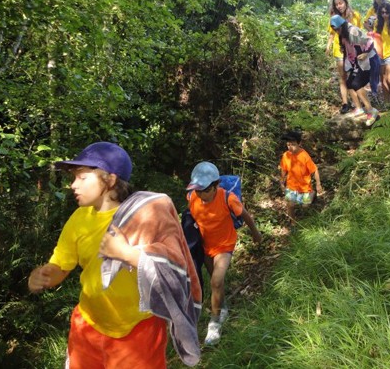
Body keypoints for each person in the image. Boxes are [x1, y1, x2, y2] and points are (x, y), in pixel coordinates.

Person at [28, 142, 202, 368]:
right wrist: (44, 275)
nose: (73, 185)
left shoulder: (144, 215)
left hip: (138, 331)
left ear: (109, 180)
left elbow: (172, 265)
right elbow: (60, 266)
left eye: (82, 177)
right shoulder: (79, 219)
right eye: (73, 178)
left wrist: (126, 254)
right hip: (87, 326)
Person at [185, 161, 262, 346]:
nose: (200, 194)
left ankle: (214, 323)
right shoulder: (192, 197)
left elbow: (245, 215)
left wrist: (255, 233)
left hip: (224, 245)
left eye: (204, 190)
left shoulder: (227, 198)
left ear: (216, 185)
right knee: (214, 281)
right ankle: (223, 306)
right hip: (205, 246)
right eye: (197, 190)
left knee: (216, 282)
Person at [330, 14, 379, 126]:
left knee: (357, 84)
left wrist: (365, 53)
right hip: (357, 63)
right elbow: (347, 49)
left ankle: (371, 110)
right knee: (349, 83)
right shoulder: (343, 34)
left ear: (342, 25)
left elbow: (369, 42)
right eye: (335, 29)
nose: (336, 31)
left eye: (337, 29)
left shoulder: (353, 31)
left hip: (369, 61)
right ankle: (359, 108)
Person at [326, 0, 362, 114]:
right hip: (339, 49)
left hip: (352, 50)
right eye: (336, 4)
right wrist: (328, 46)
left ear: (346, 2)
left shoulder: (355, 15)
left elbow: (359, 32)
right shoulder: (334, 17)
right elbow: (332, 34)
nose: (339, 6)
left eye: (340, 3)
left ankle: (357, 103)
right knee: (343, 77)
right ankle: (345, 103)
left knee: (354, 76)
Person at [279, 130, 323, 227]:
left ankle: (313, 193)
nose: (290, 147)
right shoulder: (286, 155)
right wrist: (282, 181)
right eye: (288, 144)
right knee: (290, 205)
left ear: (299, 144)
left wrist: (318, 184)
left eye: (293, 144)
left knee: (305, 206)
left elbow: (314, 169)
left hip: (305, 187)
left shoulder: (304, 155)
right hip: (291, 185)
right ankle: (293, 222)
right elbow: (283, 169)